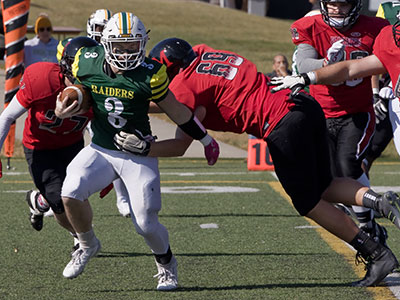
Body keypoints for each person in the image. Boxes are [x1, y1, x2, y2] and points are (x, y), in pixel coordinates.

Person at [114, 37, 400, 287]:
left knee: (307, 202)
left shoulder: (187, 84)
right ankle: (380, 201)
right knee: (323, 184)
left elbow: (179, 143)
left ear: (171, 70)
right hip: (303, 103)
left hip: (281, 122)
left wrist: (143, 149)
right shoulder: (204, 52)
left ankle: (376, 253)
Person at [54, 12, 219, 291]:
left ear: (143, 43)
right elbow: (81, 90)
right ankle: (87, 244)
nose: (127, 51)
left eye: (133, 45)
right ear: (106, 44)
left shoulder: (151, 74)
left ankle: (166, 265)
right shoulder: (86, 60)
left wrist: (205, 140)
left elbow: (177, 112)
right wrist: (66, 104)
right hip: (102, 149)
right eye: (120, 45)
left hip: (137, 154)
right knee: (70, 192)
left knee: (145, 222)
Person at [289, 0, 390, 246]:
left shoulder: (377, 27)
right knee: (329, 177)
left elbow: (389, 59)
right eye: (331, 4)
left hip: (357, 111)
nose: (336, 9)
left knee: (349, 164)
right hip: (320, 113)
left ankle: (367, 225)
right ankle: (367, 222)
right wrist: (324, 64)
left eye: (343, 4)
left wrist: (380, 91)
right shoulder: (308, 25)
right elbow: (303, 64)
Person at [0, 37, 97, 250]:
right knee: (59, 201)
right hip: (39, 147)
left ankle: (40, 202)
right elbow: (7, 116)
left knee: (77, 192)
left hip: (72, 144)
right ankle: (77, 234)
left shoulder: (101, 89)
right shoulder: (42, 78)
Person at [86, 8, 131, 217]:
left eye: (105, 28)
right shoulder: (82, 48)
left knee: (116, 150)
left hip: (108, 108)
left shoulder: (119, 50)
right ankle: (58, 197)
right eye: (98, 27)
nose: (101, 32)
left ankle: (122, 198)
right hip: (84, 107)